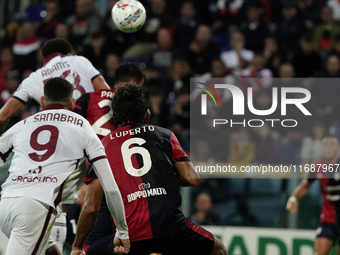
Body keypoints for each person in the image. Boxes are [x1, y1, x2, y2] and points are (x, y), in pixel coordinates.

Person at [72, 84, 227, 255]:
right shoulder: (164, 135)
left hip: (130, 238)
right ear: (144, 113)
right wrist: (159, 175)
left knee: (96, 251)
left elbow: (91, 207)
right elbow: (192, 178)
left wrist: (77, 246)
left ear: (114, 114)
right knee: (218, 249)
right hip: (171, 229)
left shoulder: (102, 146)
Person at [0, 37, 110, 252]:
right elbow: (106, 93)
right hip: (93, 136)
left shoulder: (35, 77)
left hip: (55, 146)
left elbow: (4, 114)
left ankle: (58, 245)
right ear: (68, 53)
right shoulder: (81, 61)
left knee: (59, 205)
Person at [73, 62, 145, 254]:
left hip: (96, 179)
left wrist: (81, 182)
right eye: (140, 86)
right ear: (132, 82)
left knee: (91, 242)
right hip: (128, 183)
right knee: (129, 241)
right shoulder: (141, 109)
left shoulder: (88, 99)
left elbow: (71, 134)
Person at [286, 136, 340, 255]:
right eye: (325, 144)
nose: (329, 148)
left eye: (332, 144)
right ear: (321, 148)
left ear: (338, 148)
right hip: (328, 217)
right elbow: (305, 185)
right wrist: (293, 199)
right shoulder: (317, 166)